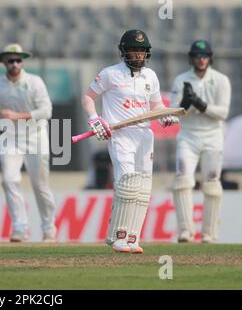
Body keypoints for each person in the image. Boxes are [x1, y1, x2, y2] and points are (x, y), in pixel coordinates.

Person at [82, 29, 179, 253]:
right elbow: (88, 97)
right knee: (127, 182)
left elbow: (156, 106)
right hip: (120, 133)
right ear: (124, 51)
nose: (138, 56)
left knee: (143, 186)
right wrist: (94, 119)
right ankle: (118, 236)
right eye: (134, 51)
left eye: (142, 51)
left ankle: (133, 237)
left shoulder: (150, 76)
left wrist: (164, 116)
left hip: (144, 134)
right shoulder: (110, 74)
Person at [0, 43, 57, 243]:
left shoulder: (34, 82)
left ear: (22, 62)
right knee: (9, 180)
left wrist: (16, 116)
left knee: (40, 185)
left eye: (18, 60)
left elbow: (46, 111)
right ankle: (20, 228)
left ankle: (49, 228)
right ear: (4, 62)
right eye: (10, 60)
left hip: (36, 137)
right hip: (10, 137)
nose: (15, 64)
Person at [170, 40, 231, 243]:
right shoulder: (181, 80)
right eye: (197, 56)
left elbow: (223, 113)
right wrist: (186, 104)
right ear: (191, 58)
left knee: (212, 183)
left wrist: (200, 104)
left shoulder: (221, 80)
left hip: (213, 137)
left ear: (210, 58)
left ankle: (209, 233)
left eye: (204, 56)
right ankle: (185, 231)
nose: (201, 59)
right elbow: (173, 114)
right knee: (182, 180)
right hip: (188, 136)